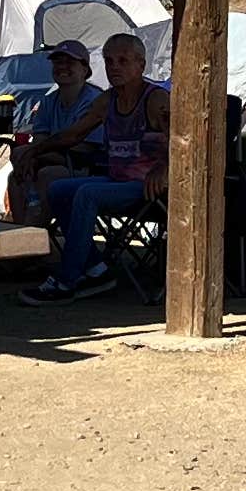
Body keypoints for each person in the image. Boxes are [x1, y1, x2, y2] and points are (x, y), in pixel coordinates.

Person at [23, 29, 170, 302]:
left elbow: (183, 139)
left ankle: (67, 280)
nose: (115, 67)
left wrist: (164, 169)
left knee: (86, 194)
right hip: (116, 180)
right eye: (109, 61)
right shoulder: (107, 100)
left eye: (123, 61)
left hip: (145, 186)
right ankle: (96, 269)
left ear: (141, 65)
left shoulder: (155, 99)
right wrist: (35, 150)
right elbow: (73, 134)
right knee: (58, 189)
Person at [5, 36, 107, 221]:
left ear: (85, 69)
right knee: (16, 173)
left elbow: (85, 149)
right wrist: (33, 155)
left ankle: (34, 233)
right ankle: (20, 233)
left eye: (70, 63)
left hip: (85, 166)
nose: (62, 67)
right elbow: (39, 139)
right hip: (52, 159)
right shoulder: (49, 101)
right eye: (58, 62)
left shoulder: (94, 100)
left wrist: (37, 155)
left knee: (47, 174)